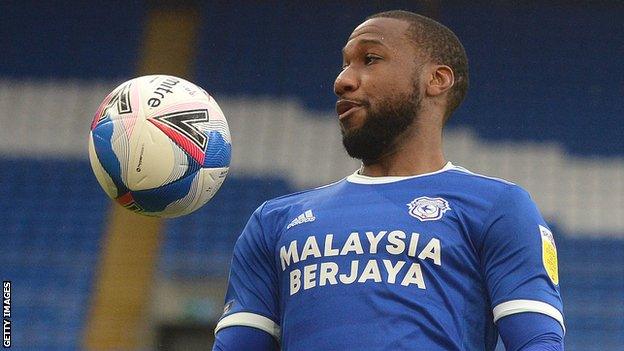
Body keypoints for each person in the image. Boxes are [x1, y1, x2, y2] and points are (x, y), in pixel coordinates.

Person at [212, 10, 564, 351]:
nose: (342, 81)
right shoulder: (274, 220)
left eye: (370, 59)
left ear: (436, 80)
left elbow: (537, 342)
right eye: (345, 63)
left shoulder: (496, 207)